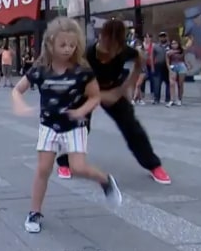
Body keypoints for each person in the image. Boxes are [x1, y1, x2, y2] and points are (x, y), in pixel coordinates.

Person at [12, 17, 122, 233]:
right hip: (49, 126)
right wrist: (19, 105)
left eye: (72, 45)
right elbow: (17, 89)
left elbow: (94, 97)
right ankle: (34, 212)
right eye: (62, 45)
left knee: (77, 168)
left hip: (74, 126)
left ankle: (105, 180)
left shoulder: (82, 70)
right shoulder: (41, 68)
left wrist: (81, 111)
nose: (67, 49)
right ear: (50, 43)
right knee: (43, 169)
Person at [54, 20, 171, 185]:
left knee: (131, 126)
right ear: (101, 38)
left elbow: (139, 59)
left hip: (113, 88)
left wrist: (127, 87)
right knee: (78, 126)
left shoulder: (124, 51)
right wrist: (105, 95)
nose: (111, 52)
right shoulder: (87, 56)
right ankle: (65, 162)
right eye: (108, 46)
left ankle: (153, 165)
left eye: (116, 47)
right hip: (85, 91)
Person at [165, 39, 188, 107]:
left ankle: (179, 99)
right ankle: (172, 100)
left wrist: (187, 65)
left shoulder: (181, 50)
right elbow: (167, 61)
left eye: (175, 43)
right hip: (173, 66)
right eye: (172, 43)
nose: (174, 45)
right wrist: (169, 69)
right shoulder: (168, 52)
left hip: (181, 66)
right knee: (172, 83)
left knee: (180, 84)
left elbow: (184, 59)